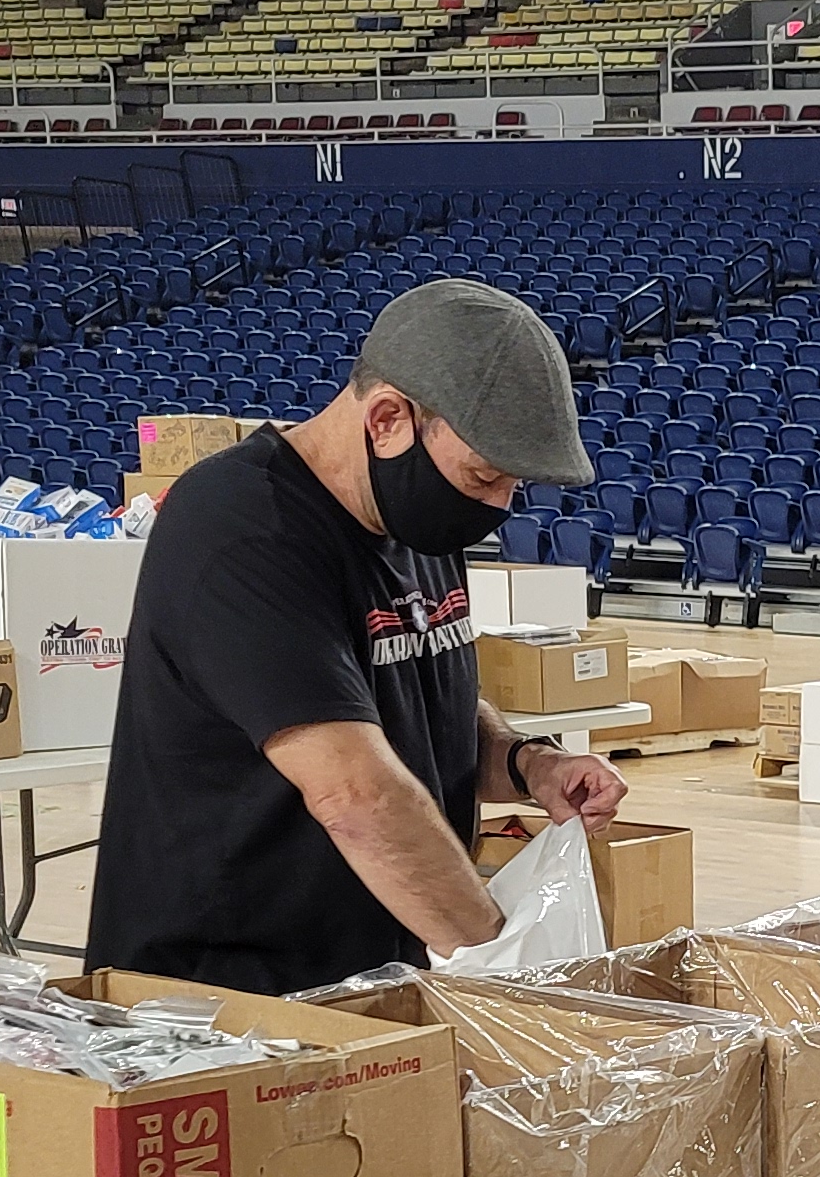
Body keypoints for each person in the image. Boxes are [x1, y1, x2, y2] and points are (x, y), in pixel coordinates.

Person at [84, 277, 626, 996]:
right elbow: (355, 794)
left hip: (367, 977)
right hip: (229, 992)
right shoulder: (244, 529)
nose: (498, 505)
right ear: (388, 420)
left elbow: (420, 700)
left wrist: (526, 764)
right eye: (484, 475)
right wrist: (504, 967)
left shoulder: (411, 514)